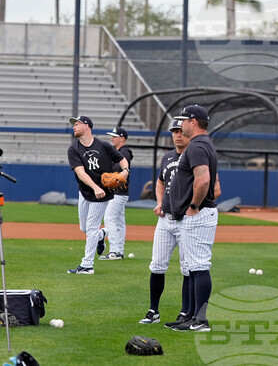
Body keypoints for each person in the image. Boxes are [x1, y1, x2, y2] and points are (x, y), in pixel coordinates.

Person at [167, 105, 219, 332]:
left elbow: (204, 180)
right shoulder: (202, 144)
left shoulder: (197, 146)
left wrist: (193, 205)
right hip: (196, 213)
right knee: (191, 267)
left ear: (194, 122)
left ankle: (200, 320)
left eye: (183, 120)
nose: (180, 125)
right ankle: (190, 317)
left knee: (198, 266)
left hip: (199, 213)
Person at [139, 118, 189, 325]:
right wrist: (159, 202)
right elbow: (160, 182)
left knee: (188, 268)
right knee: (157, 265)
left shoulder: (196, 155)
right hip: (165, 218)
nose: (177, 134)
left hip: (187, 219)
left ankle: (186, 312)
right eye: (174, 131)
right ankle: (153, 311)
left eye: (180, 130)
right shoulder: (167, 158)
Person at [66, 115, 128, 275]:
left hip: (103, 193)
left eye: (77, 124)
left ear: (86, 126)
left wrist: (125, 172)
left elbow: (122, 160)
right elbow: (80, 173)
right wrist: (94, 187)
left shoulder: (104, 146)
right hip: (86, 190)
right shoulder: (74, 149)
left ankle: (87, 265)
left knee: (92, 227)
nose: (74, 126)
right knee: (84, 228)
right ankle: (102, 234)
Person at [100, 126, 132, 261]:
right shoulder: (117, 152)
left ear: (122, 138)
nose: (112, 138)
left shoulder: (125, 152)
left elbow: (118, 169)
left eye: (114, 136)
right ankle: (119, 251)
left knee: (109, 218)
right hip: (119, 193)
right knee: (119, 222)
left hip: (119, 192)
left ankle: (114, 250)